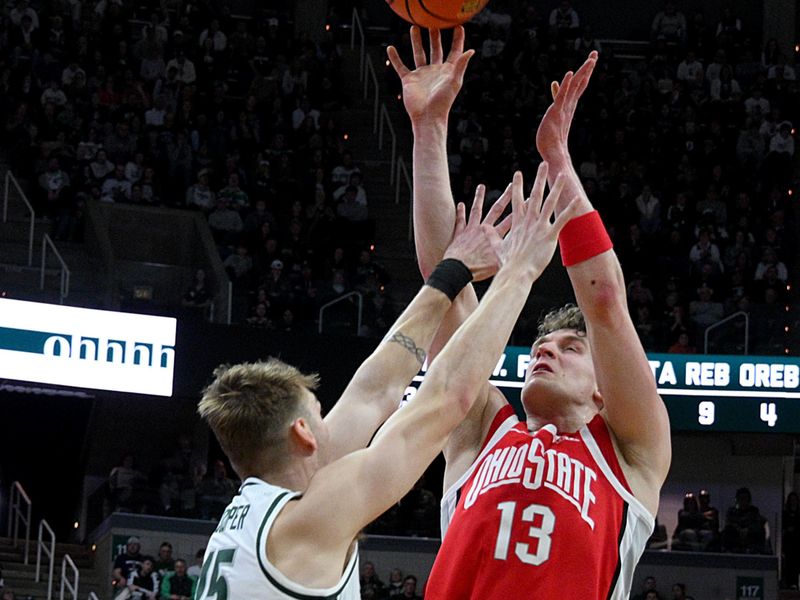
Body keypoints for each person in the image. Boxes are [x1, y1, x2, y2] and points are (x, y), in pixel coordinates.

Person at [195, 162, 577, 599]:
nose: (330, 420)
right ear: (302, 433)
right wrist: (519, 273)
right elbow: (448, 395)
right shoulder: (313, 518)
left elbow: (373, 390)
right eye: (320, 413)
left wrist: (451, 272)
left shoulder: (254, 510)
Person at [388, 28, 671, 597]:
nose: (547, 349)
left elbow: (606, 303)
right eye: (545, 346)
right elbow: (445, 277)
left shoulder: (632, 454)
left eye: (572, 349)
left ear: (602, 391)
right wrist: (428, 128)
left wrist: (558, 162)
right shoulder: (479, 432)